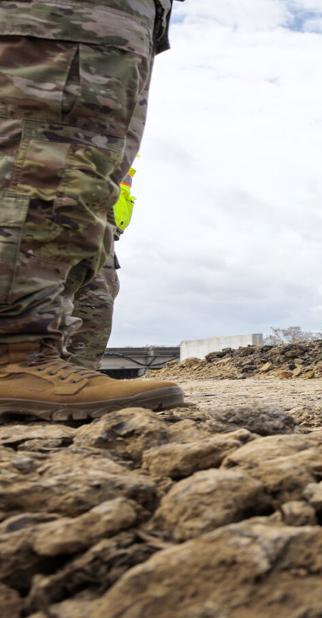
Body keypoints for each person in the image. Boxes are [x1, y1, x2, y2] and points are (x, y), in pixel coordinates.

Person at [0, 0, 186, 420]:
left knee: (77, 169)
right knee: (46, 160)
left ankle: (32, 354)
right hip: (73, 16)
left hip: (129, 22)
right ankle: (14, 354)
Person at [66, 164, 136, 370]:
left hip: (101, 227)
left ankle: (79, 376)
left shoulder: (120, 152)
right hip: (67, 218)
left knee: (96, 302)